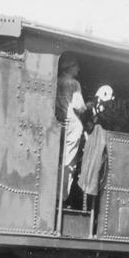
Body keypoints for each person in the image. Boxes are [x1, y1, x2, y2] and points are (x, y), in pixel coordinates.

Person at [55, 57, 87, 203]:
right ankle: (62, 197)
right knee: (69, 163)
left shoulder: (57, 80)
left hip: (59, 122)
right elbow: (78, 106)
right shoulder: (74, 83)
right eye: (77, 66)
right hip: (73, 124)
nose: (79, 69)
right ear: (70, 67)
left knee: (59, 159)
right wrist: (88, 106)